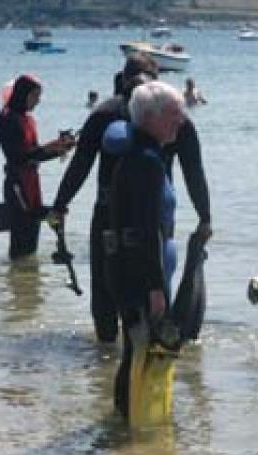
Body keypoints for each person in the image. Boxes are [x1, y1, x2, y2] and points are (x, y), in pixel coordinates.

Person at [50, 54, 212, 343]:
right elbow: (194, 171)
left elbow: (80, 165)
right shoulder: (175, 118)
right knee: (155, 283)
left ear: (123, 79)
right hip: (156, 215)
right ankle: (149, 349)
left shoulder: (104, 113)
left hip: (108, 214)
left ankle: (105, 358)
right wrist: (204, 216)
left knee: (105, 287)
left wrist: (61, 204)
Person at [104, 81, 185, 419]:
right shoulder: (147, 162)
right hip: (139, 272)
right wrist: (154, 287)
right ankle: (132, 427)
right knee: (141, 351)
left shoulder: (138, 155)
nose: (180, 120)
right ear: (150, 118)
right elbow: (146, 228)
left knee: (135, 351)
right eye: (174, 114)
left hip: (127, 265)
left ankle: (126, 426)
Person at [0, 74, 76, 260]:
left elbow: (35, 153)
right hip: (17, 185)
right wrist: (57, 147)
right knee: (22, 237)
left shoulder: (28, 120)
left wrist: (61, 147)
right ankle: (18, 280)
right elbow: (19, 157)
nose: (38, 101)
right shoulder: (7, 119)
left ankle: (24, 284)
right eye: (35, 96)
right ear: (24, 94)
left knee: (31, 241)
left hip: (31, 183)